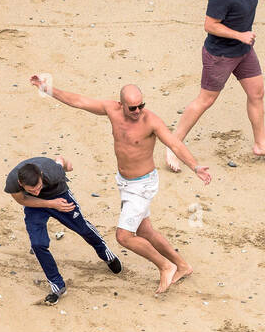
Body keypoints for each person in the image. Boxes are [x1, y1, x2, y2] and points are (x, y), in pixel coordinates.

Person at [31, 75, 211, 295]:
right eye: (133, 107)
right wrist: (48, 88)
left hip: (143, 185)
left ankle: (166, 266)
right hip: (125, 182)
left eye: (141, 106)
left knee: (124, 236)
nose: (138, 111)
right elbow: (78, 101)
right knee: (145, 230)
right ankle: (182, 265)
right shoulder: (111, 110)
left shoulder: (151, 121)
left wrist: (195, 167)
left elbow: (174, 143)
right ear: (121, 105)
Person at [165, 0, 265, 172]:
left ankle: (260, 144)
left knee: (257, 93)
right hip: (219, 55)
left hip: (244, 51)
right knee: (205, 100)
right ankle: (173, 145)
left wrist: (243, 39)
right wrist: (240, 35)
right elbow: (210, 25)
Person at [4, 155, 122, 304]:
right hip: (36, 206)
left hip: (60, 195)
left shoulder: (53, 171)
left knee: (83, 229)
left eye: (39, 187)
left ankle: (106, 255)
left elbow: (60, 159)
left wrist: (67, 165)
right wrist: (51, 204)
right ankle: (57, 285)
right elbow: (23, 199)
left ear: (41, 176)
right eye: (31, 190)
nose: (37, 192)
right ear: (21, 183)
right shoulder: (13, 181)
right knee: (38, 244)